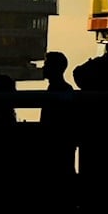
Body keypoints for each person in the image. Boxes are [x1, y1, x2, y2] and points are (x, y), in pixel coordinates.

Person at [41, 51, 78, 188]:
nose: (44, 68)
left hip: (58, 146)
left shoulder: (58, 90)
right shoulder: (64, 89)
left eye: (47, 65)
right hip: (63, 146)